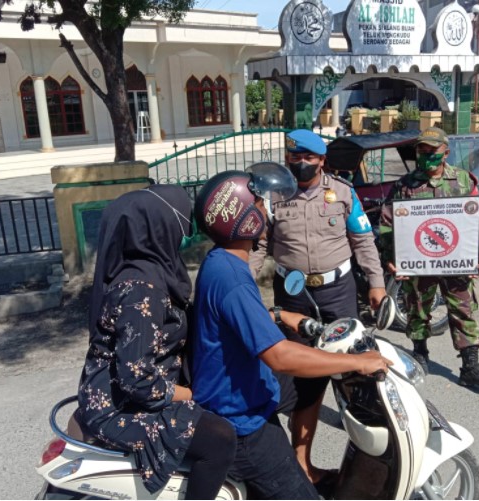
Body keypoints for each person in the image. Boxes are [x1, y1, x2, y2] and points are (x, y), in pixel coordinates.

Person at [191, 163, 392, 500]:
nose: (266, 208)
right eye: (258, 204)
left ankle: (303, 459)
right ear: (245, 219)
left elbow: (237, 319)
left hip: (240, 386)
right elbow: (281, 357)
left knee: (309, 384)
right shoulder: (232, 279)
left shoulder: (222, 261)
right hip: (242, 420)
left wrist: (278, 314)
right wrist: (355, 363)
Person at [77, 185, 236, 499]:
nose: (182, 235)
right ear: (157, 229)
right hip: (118, 408)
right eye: (179, 226)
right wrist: (193, 395)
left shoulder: (152, 273)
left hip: (134, 392)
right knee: (220, 439)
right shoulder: (141, 287)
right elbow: (135, 379)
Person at [247, 129, 386, 487]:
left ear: (322, 160)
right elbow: (259, 247)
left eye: (309, 157)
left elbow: (363, 240)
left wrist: (376, 283)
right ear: (289, 158)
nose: (302, 163)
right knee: (305, 380)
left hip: (338, 292)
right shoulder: (275, 195)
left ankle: (373, 460)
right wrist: (242, 284)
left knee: (356, 375)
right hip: (293, 297)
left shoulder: (343, 192)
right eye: (296, 157)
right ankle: (301, 463)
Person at [377, 127, 479, 388]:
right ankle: (420, 355)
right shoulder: (405, 185)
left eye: (431, 150)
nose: (425, 155)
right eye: (421, 150)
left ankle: (470, 366)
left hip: (456, 261)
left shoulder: (464, 182)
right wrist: (390, 256)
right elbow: (388, 224)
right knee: (417, 309)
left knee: (463, 310)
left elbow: (478, 223)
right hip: (418, 263)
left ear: (446, 151)